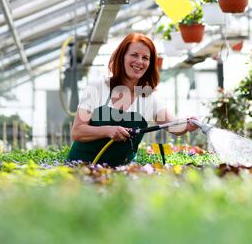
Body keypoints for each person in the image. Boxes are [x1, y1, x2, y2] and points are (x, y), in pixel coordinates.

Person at [67, 33, 199, 166]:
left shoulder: (148, 97)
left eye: (145, 58)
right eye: (134, 55)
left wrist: (187, 125)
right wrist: (109, 130)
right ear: (122, 57)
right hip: (80, 170)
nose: (140, 61)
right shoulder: (98, 87)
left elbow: (173, 125)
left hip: (119, 176)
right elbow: (77, 131)